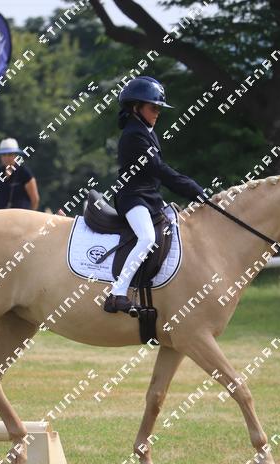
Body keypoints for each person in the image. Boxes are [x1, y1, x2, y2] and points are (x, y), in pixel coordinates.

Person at [104, 76, 206, 314]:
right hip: (133, 198)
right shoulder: (134, 135)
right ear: (135, 107)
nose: (158, 113)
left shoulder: (146, 131)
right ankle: (117, 293)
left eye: (159, 108)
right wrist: (193, 189)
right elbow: (159, 170)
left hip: (149, 198)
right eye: (153, 107)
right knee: (147, 238)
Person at [0, 138, 40, 211]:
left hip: (21, 215)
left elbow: (35, 199)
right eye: (4, 155)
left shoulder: (24, 172)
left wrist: (30, 214)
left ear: (16, 155)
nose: (6, 158)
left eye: (10, 154)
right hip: (2, 214)